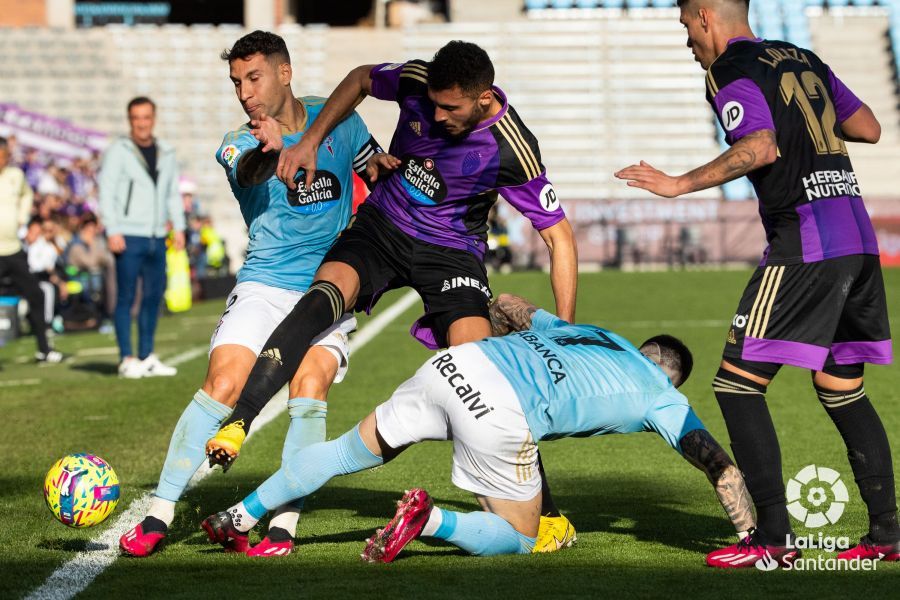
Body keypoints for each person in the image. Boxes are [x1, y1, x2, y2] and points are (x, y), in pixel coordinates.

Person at [205, 40, 579, 551]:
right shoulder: (415, 80)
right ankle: (240, 420)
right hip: (383, 226)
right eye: (434, 103)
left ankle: (549, 510)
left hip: (451, 254)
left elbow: (559, 236)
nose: (438, 114)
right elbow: (361, 77)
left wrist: (561, 331)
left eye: (452, 108)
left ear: (485, 97)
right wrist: (312, 137)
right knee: (320, 298)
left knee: (486, 370)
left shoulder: (513, 147)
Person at [615, 0, 897, 568]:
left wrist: (677, 184)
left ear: (703, 16)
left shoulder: (729, 69)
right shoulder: (803, 58)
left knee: (737, 385)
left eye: (685, 28)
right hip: (857, 237)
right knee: (841, 387)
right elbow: (867, 126)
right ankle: (889, 534)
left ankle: (772, 540)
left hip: (807, 242)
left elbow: (759, 147)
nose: (687, 42)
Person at [201, 293, 754, 562]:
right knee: (519, 538)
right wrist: (753, 536)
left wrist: (484, 319)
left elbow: (511, 304)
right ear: (674, 379)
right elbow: (721, 467)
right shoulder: (663, 397)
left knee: (347, 450)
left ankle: (237, 515)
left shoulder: (598, 333)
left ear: (643, 346)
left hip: (454, 365)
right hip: (500, 406)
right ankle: (429, 518)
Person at [119, 30, 383, 558]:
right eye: (236, 82)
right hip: (263, 285)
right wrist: (272, 147)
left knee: (310, 386)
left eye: (253, 77)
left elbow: (373, 171)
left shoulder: (341, 123)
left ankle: (284, 522)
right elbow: (250, 167)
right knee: (222, 383)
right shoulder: (237, 141)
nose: (244, 92)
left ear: (284, 72)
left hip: (327, 289)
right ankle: (159, 512)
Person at [98, 96, 186, 378]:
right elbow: (107, 192)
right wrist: (112, 229)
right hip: (128, 234)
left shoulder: (166, 152)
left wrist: (180, 228)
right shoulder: (118, 151)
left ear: (153, 118)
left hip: (157, 234)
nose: (142, 123)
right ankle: (127, 358)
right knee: (125, 297)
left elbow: (172, 192)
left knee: (153, 296)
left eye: (146, 117)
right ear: (130, 120)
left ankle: (147, 355)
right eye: (136, 118)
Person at [0, 138, 63, 363]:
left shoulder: (15, 176)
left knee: (36, 295)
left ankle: (44, 349)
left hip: (13, 250)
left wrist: (22, 218)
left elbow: (27, 195)